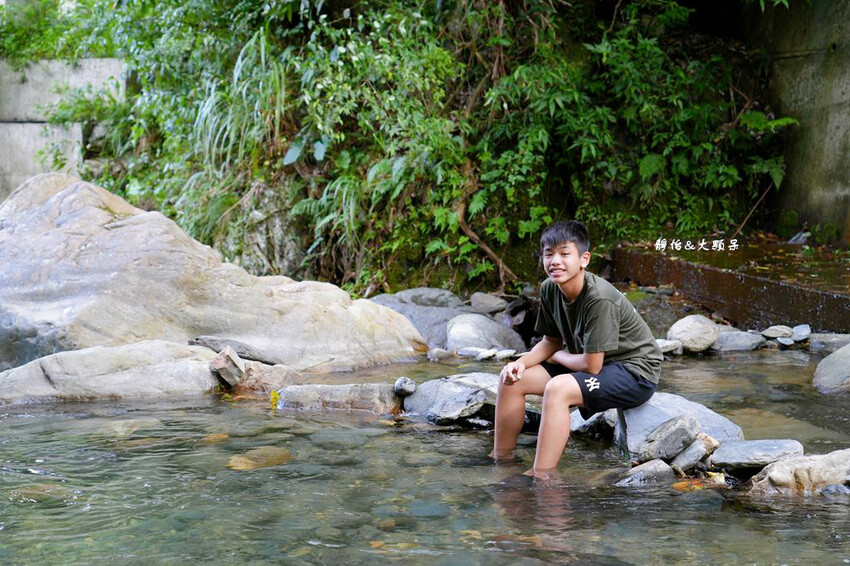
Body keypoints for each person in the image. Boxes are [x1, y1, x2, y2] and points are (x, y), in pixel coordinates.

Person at [491, 220, 662, 479]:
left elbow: (591, 366)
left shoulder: (599, 298)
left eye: (564, 253)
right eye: (549, 254)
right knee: (513, 378)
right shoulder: (550, 289)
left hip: (634, 372)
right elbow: (551, 341)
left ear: (584, 259)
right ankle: (501, 461)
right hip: (596, 362)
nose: (555, 261)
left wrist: (559, 356)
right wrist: (522, 363)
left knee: (558, 389)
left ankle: (541, 476)